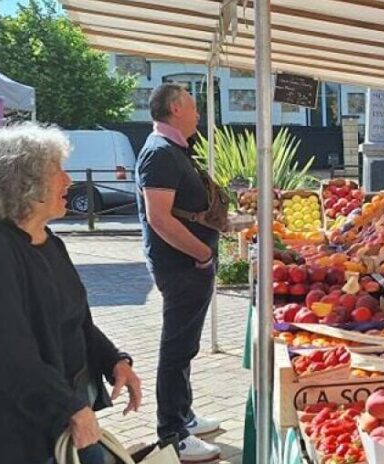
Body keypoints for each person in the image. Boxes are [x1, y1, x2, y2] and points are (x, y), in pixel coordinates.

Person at [0, 123, 142, 464]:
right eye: (57, 171)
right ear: (21, 183)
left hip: (64, 420)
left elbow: (73, 320)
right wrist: (72, 409)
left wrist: (114, 360)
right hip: (17, 438)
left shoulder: (46, 240)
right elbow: (10, 356)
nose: (69, 181)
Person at [136, 83, 223, 461]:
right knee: (176, 348)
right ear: (175, 108)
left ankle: (183, 415)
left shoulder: (172, 150)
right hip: (182, 266)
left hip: (189, 264)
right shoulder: (159, 153)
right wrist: (202, 253)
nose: (198, 113)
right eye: (193, 106)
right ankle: (171, 433)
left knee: (185, 345)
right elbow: (158, 218)